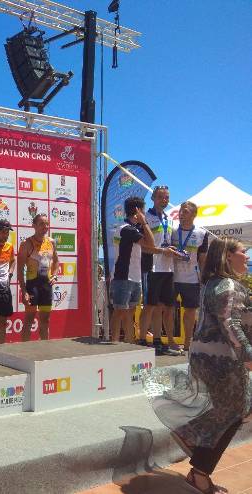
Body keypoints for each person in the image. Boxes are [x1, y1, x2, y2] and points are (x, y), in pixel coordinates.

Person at [145, 237, 251, 494]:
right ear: (228, 256)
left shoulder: (213, 283)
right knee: (237, 411)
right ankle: (198, 467)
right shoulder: (227, 285)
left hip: (206, 358)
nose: (247, 256)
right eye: (243, 251)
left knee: (231, 411)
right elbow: (230, 323)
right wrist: (248, 354)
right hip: (222, 361)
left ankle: (192, 444)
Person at [138, 185, 183, 355]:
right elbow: (142, 245)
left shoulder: (169, 218)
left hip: (168, 267)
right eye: (160, 197)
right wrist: (162, 250)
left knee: (163, 306)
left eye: (167, 197)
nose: (164, 200)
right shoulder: (145, 217)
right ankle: (142, 340)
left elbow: (168, 242)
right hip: (152, 266)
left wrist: (174, 250)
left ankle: (158, 340)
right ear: (153, 198)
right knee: (150, 305)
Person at [109, 197, 155, 343]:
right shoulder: (126, 229)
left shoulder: (133, 229)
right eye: (143, 211)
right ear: (137, 211)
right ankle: (114, 343)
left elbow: (149, 247)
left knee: (130, 313)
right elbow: (151, 244)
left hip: (135, 277)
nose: (144, 215)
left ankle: (129, 342)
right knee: (119, 311)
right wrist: (144, 223)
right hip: (123, 277)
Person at [170, 201, 209, 351]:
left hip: (191, 278)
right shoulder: (172, 230)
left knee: (190, 311)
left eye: (185, 211)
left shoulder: (202, 233)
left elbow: (202, 259)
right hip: (172, 276)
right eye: (180, 211)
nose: (181, 214)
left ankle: (187, 342)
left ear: (194, 214)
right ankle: (171, 341)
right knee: (168, 309)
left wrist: (204, 279)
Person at [18, 213, 59, 341]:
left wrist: (55, 275)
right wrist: (24, 291)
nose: (45, 227)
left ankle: (45, 349)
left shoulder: (51, 242)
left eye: (47, 224)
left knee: (45, 320)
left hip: (46, 286)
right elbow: (19, 269)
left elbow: (56, 261)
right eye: (41, 224)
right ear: (34, 226)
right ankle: (25, 349)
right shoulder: (26, 244)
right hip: (32, 286)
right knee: (29, 320)